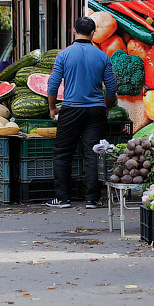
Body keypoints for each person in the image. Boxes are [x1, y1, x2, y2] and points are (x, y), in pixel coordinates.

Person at [45, 17, 117, 209]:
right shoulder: (102, 56)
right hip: (96, 111)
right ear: (93, 33)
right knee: (93, 154)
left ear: (74, 30)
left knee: (62, 153)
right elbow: (111, 87)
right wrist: (107, 106)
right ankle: (92, 199)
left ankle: (62, 199)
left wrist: (52, 107)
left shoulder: (64, 54)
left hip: (71, 109)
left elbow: (53, 84)